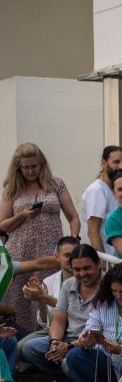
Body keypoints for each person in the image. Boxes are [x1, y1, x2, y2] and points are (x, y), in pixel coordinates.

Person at [0, 142, 81, 331]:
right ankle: (20, 344)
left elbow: (73, 216)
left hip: (51, 249)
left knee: (49, 295)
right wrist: (21, 215)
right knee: (21, 299)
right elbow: (2, 224)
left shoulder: (55, 184)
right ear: (18, 167)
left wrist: (74, 238)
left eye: (34, 166)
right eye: (26, 167)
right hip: (21, 250)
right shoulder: (12, 189)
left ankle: (50, 339)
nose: (30, 171)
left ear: (41, 164)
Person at [22, 245, 101, 382]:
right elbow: (59, 318)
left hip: (93, 343)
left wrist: (69, 346)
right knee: (30, 348)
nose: (82, 274)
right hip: (68, 340)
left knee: (68, 362)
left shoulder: (108, 287)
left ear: (98, 265)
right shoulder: (68, 284)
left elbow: (100, 332)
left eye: (87, 268)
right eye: (77, 270)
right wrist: (55, 342)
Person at [18, 237, 80, 365]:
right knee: (20, 348)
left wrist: (44, 298)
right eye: (67, 255)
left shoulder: (85, 279)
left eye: (75, 254)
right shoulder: (49, 280)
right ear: (57, 257)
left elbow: (76, 311)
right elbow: (44, 321)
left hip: (76, 329)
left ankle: (61, 374)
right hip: (52, 329)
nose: (71, 259)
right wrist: (41, 301)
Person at [81, 145, 122, 253]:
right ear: (103, 162)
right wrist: (102, 264)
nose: (121, 167)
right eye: (116, 162)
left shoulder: (113, 189)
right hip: (107, 263)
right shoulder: (97, 190)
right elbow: (92, 232)